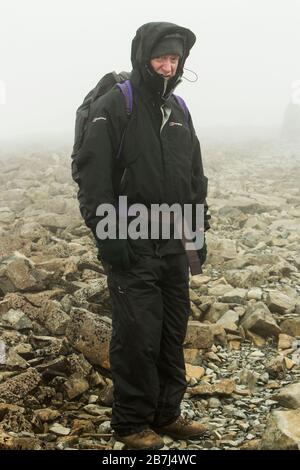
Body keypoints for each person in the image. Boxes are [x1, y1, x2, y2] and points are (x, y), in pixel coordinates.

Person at [73, 21, 211, 450]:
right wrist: (107, 234)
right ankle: (131, 423)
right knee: (138, 335)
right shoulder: (117, 105)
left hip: (173, 244)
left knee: (172, 331)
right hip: (130, 241)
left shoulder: (180, 110)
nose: (168, 67)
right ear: (143, 58)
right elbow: (92, 176)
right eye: (161, 58)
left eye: (175, 59)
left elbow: (193, 176)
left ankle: (166, 414)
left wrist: (197, 231)